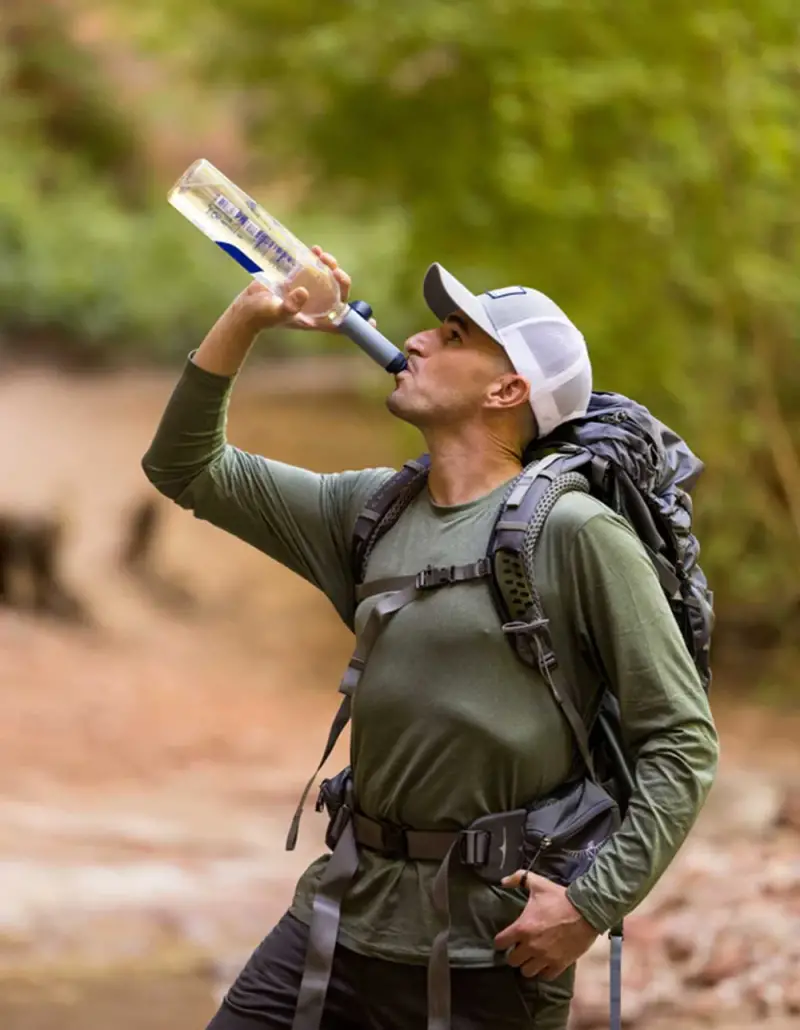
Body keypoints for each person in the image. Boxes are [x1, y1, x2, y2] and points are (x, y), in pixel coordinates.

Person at [142, 248, 719, 1030]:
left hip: (496, 949)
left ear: (507, 389)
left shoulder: (578, 533)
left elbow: (681, 742)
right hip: (341, 919)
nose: (415, 340)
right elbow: (185, 465)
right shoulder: (370, 508)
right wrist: (249, 316)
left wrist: (589, 907)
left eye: (452, 336)